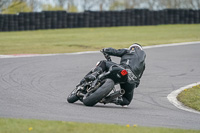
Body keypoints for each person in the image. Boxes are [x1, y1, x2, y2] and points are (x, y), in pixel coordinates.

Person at [80, 43, 146, 106]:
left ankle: (94, 75)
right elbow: (139, 77)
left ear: (133, 47)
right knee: (126, 101)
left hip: (123, 69)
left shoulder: (129, 51)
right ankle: (111, 99)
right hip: (132, 80)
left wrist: (106, 50)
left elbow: (116, 51)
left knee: (104, 62)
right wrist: (134, 84)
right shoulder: (143, 65)